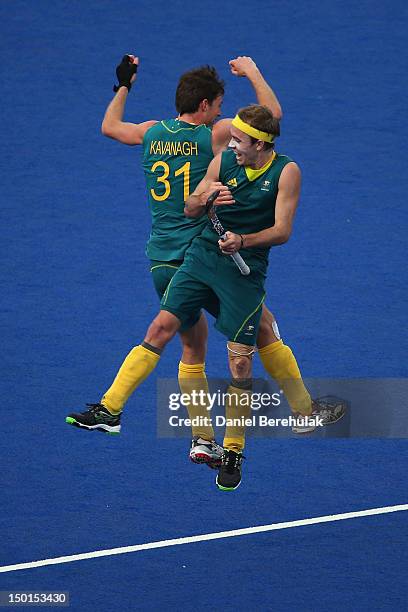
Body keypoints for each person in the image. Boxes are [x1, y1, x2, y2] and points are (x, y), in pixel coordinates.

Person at [67, 102, 313, 491]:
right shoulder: (221, 162)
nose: (231, 144)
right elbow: (190, 207)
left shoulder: (286, 171)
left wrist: (243, 240)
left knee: (240, 364)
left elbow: (283, 230)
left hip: (243, 271)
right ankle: (110, 410)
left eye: (239, 141)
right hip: (201, 257)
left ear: (261, 145)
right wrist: (204, 199)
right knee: (162, 326)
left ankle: (233, 449)